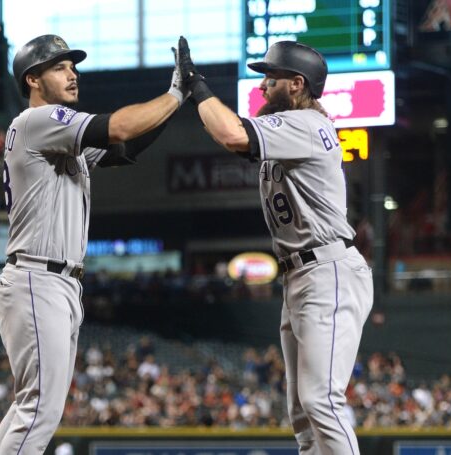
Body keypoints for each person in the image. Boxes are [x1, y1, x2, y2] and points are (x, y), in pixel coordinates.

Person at [0, 34, 189, 454]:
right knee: (39, 409)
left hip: (53, 281)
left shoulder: (58, 136)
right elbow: (118, 125)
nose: (72, 73)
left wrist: (177, 102)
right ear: (33, 80)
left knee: (34, 406)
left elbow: (124, 146)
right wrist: (174, 94)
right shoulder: (38, 121)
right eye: (59, 67)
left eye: (72, 65)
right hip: (36, 277)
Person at [176, 37, 373, 454]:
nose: (262, 85)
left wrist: (197, 88)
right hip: (303, 274)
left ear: (296, 84)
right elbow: (232, 134)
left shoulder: (307, 125)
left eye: (271, 77)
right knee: (303, 415)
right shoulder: (291, 129)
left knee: (322, 400)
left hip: (327, 270)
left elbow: (231, 134)